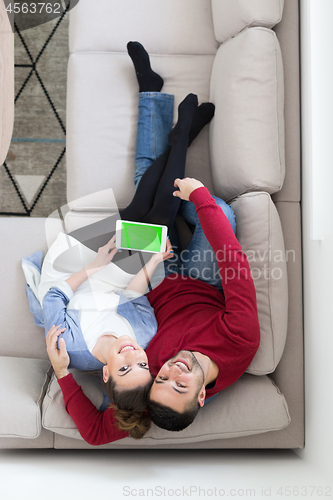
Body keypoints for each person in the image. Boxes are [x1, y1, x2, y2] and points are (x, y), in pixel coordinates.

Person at [23, 42, 216, 439]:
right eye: (143, 366)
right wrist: (153, 260)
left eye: (126, 367)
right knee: (154, 215)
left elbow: (54, 298)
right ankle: (181, 133)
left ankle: (182, 133)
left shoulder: (71, 348)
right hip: (119, 271)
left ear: (107, 373)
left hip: (76, 265)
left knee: (146, 208)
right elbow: (134, 295)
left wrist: (94, 263)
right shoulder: (143, 337)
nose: (135, 356)